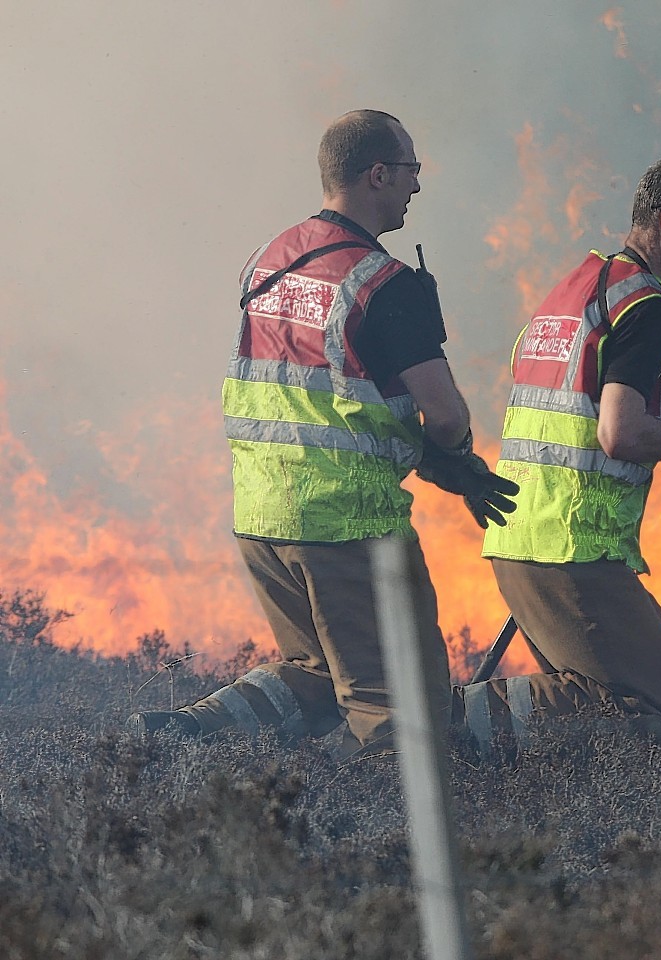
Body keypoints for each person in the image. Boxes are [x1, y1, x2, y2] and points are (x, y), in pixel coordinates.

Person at [128, 109, 517, 759]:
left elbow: (325, 399)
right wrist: (456, 462)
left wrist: (416, 450)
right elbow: (444, 413)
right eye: (412, 172)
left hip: (263, 513)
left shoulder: (267, 260)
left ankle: (179, 738)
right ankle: (391, 839)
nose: (417, 188)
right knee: (400, 699)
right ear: (378, 174)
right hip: (345, 526)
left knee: (317, 671)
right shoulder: (384, 283)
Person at [456, 152, 661, 756]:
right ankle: (437, 723)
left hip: (522, 535)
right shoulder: (646, 309)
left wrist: (659, 355)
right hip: (574, 544)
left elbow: (566, 378)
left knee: (602, 697)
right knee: (647, 710)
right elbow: (621, 435)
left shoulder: (574, 290)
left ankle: (458, 746)